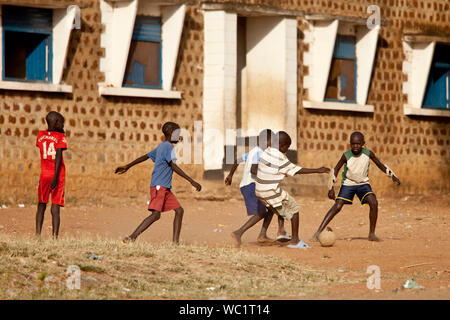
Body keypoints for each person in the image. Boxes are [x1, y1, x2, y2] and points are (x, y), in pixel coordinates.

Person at [115, 122, 202, 244]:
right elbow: (173, 166)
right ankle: (132, 237)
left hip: (164, 188)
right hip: (159, 187)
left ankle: (175, 243)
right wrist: (192, 181)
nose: (179, 136)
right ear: (171, 134)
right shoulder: (168, 147)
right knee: (156, 215)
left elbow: (145, 156)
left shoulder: (163, 146)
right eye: (177, 133)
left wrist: (128, 166)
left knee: (179, 211)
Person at [312, 131, 401, 242]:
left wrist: (392, 176)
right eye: (353, 144)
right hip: (348, 183)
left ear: (363, 143)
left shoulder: (368, 153)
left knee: (374, 202)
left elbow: (380, 165)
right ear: (350, 144)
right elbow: (336, 169)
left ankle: (371, 234)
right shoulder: (346, 155)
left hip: (363, 184)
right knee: (338, 206)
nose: (355, 146)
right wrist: (331, 188)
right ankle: (318, 232)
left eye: (358, 144)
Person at [255, 131, 330, 249]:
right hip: (269, 191)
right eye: (287, 147)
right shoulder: (279, 157)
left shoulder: (266, 151)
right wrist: (318, 170)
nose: (288, 149)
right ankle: (295, 241)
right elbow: (296, 170)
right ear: (281, 146)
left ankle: (280, 233)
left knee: (277, 207)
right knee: (294, 208)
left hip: (259, 191)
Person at [226, 129, 290, 248]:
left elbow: (237, 160)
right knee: (263, 211)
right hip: (251, 185)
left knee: (272, 207)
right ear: (265, 141)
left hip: (249, 185)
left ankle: (263, 235)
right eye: (272, 141)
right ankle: (238, 232)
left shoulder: (254, 151)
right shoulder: (259, 152)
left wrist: (230, 175)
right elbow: (253, 170)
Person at [35, 111, 67, 239]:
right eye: (61, 122)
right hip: (56, 176)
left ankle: (37, 234)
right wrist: (55, 177)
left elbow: (43, 146)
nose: (63, 124)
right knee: (55, 207)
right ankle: (55, 237)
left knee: (41, 204)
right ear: (56, 123)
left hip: (44, 174)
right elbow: (58, 156)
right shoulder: (60, 137)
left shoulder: (40, 135)